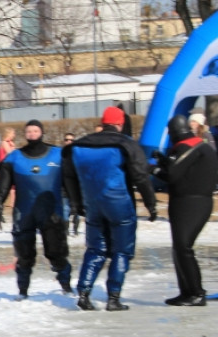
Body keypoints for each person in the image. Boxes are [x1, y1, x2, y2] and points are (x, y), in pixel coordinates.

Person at [62, 106, 157, 311]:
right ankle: (113, 298)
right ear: (120, 123)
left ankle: (84, 293)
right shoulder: (125, 144)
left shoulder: (78, 146)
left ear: (103, 122)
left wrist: (77, 203)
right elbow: (141, 176)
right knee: (122, 251)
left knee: (96, 249)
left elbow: (68, 177)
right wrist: (151, 203)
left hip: (93, 204)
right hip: (119, 203)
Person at [0, 120, 72, 299]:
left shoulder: (58, 155)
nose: (32, 134)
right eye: (29, 131)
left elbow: (71, 181)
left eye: (35, 130)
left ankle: (66, 286)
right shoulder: (14, 158)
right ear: (25, 134)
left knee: (56, 253)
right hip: (24, 213)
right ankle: (22, 291)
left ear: (42, 132)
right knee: (24, 256)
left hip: (52, 213)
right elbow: (3, 185)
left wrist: (76, 204)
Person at [153, 114, 218, 305]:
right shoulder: (202, 145)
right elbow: (185, 170)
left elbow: (172, 175)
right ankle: (187, 291)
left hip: (189, 203)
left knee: (183, 247)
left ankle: (196, 293)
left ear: (174, 133)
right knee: (180, 248)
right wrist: (164, 161)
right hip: (196, 201)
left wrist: (152, 169)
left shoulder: (186, 146)